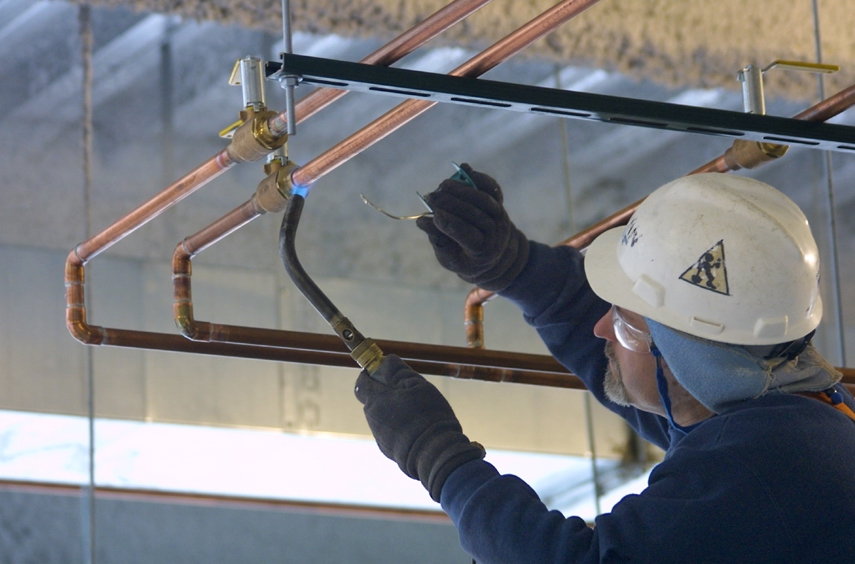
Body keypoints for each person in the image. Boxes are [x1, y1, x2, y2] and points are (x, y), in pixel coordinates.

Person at [354, 165, 855, 564]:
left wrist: (440, 458)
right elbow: (640, 374)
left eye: (624, 322)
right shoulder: (795, 423)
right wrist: (515, 267)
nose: (600, 329)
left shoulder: (759, 464)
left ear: (688, 358)